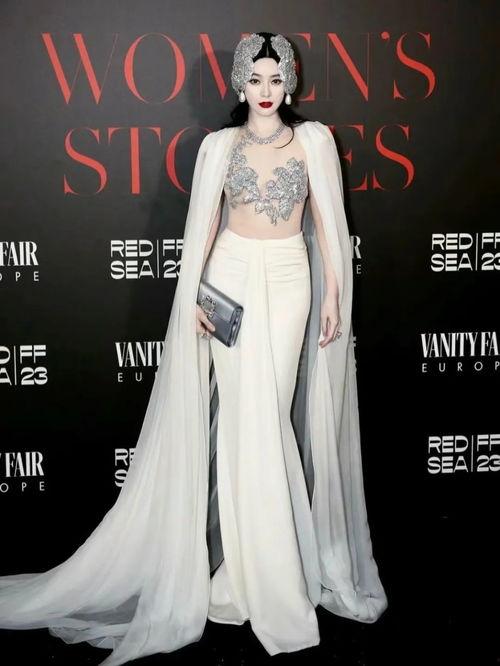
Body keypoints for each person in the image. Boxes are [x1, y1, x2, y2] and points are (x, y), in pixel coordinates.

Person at [0, 32, 388, 665]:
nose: (265, 91)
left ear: (289, 82)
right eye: (254, 79)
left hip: (290, 281)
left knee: (269, 416)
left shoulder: (314, 141)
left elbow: (328, 225)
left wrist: (334, 297)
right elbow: (204, 227)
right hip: (228, 279)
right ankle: (251, 574)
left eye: (275, 79)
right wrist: (193, 301)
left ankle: (254, 576)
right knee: (239, 422)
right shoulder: (219, 147)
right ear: (239, 84)